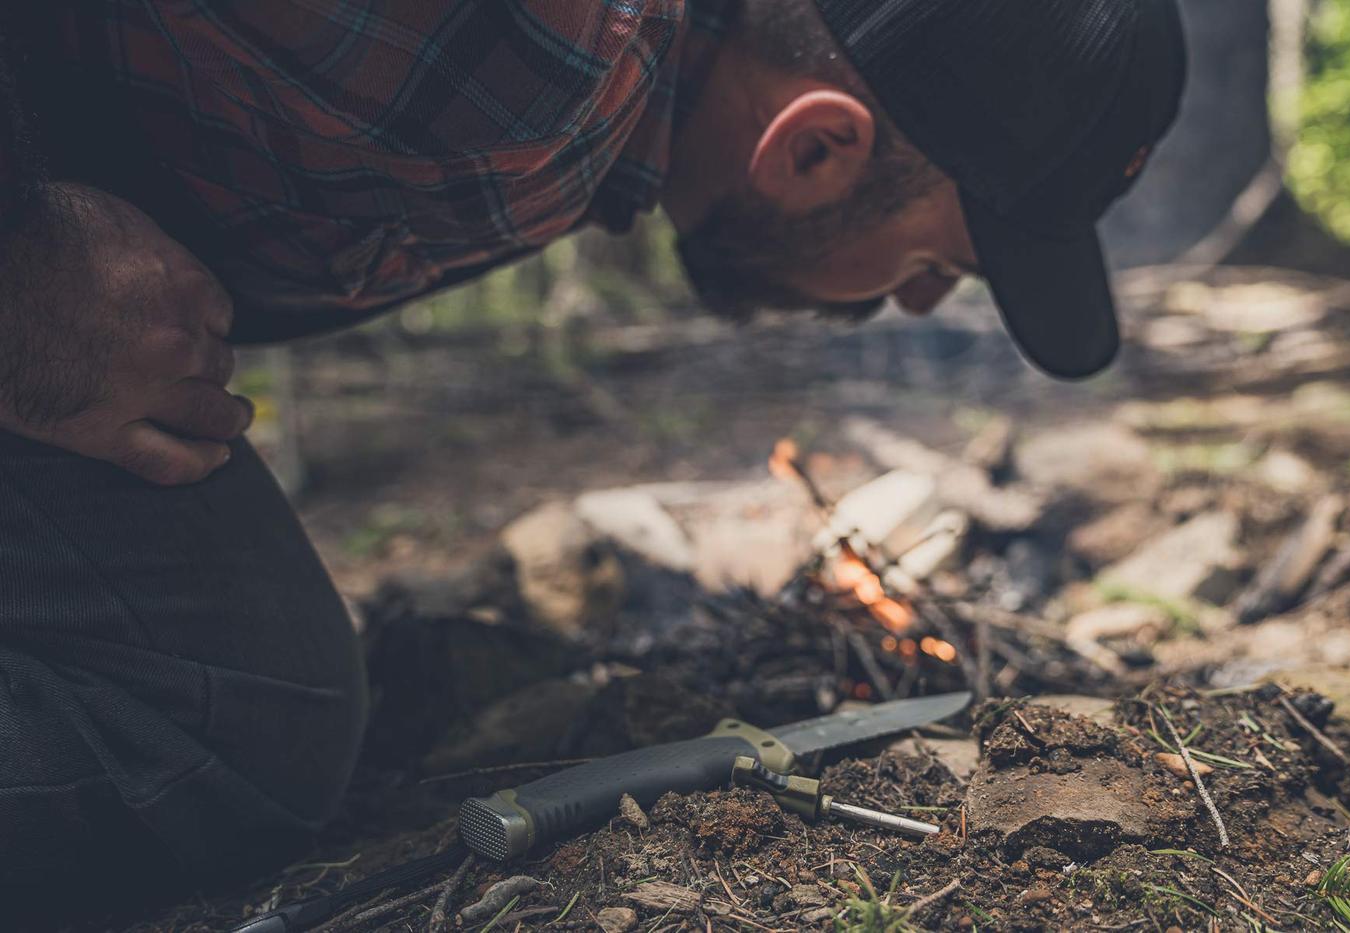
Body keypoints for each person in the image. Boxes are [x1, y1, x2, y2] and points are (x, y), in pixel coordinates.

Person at [0, 0, 1186, 920]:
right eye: (935, 263)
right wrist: (23, 258)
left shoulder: (603, 102)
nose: (909, 300)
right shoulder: (523, 53)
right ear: (816, 149)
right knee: (230, 722)